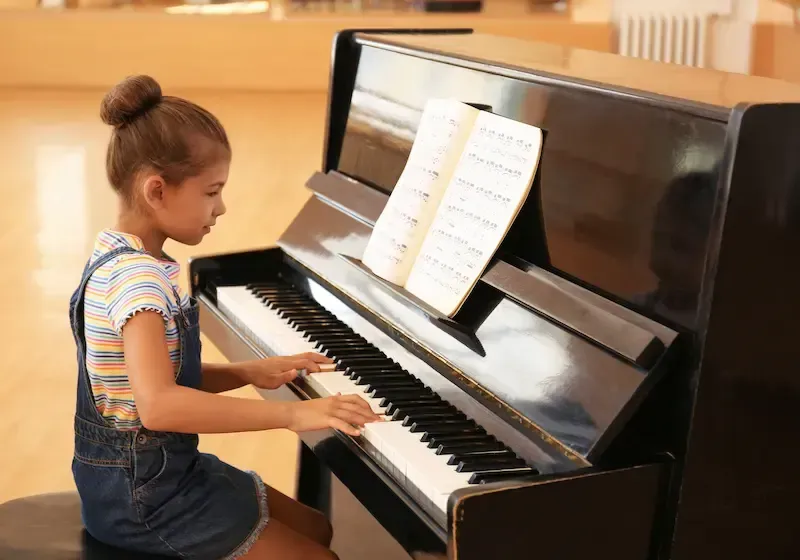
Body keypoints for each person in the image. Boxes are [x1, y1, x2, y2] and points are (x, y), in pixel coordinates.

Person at [68, 75, 381, 560]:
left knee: (315, 528)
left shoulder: (120, 255)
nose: (221, 208)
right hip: (144, 501)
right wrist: (293, 414)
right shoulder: (138, 283)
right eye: (211, 192)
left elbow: (145, 382)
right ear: (157, 190)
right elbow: (160, 407)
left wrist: (247, 373)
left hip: (163, 475)